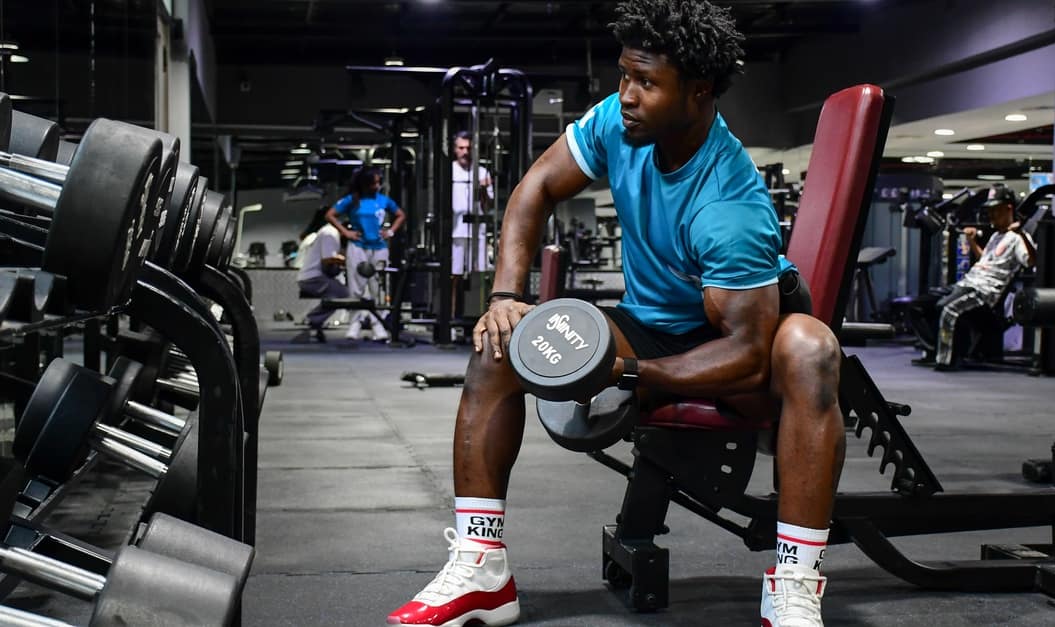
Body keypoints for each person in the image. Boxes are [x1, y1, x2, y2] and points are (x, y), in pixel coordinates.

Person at [387, 2, 843, 626]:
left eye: (646, 82)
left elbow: (748, 352)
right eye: (625, 75)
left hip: (739, 355)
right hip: (649, 327)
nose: (626, 95)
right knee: (502, 344)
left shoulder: (729, 206)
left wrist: (626, 373)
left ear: (699, 90)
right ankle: (482, 567)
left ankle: (794, 581)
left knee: (809, 348)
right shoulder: (618, 123)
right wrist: (505, 297)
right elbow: (536, 188)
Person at [908, 184, 1037, 370]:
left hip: (983, 292)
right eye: (989, 211)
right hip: (966, 284)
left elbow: (1031, 261)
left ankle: (947, 360)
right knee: (918, 306)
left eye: (995, 210)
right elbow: (985, 259)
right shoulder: (996, 236)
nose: (991, 215)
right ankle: (934, 350)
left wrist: (1022, 234)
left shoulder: (1018, 238)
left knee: (946, 308)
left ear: (1008, 209)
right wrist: (971, 241)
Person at [326, 167, 405, 341]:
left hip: (379, 247)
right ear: (364, 184)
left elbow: (400, 215)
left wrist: (390, 231)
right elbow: (330, 215)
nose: (377, 186)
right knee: (356, 287)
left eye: (378, 183)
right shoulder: (352, 200)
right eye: (373, 183)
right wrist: (346, 233)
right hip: (358, 245)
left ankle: (378, 325)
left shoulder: (383, 200)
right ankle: (355, 324)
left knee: (377, 287)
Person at [450, 130, 495, 318]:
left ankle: (481, 318)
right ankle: (451, 320)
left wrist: (483, 188)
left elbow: (488, 205)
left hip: (478, 233)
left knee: (481, 275)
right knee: (455, 276)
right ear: (455, 149)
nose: (465, 152)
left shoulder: (482, 172)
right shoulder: (450, 171)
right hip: (456, 232)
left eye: (468, 148)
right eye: (461, 148)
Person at [294, 206, 348, 343]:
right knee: (344, 294)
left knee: (334, 295)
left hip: (311, 276)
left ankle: (315, 322)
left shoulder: (327, 232)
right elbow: (327, 259)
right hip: (312, 278)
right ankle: (312, 319)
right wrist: (348, 260)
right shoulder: (330, 233)